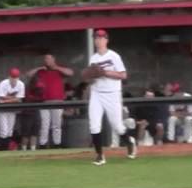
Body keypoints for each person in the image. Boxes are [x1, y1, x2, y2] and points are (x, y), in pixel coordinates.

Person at [86, 29, 137, 165]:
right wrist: (89, 77)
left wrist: (105, 72)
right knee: (94, 125)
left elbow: (123, 75)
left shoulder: (114, 56)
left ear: (106, 40)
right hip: (97, 93)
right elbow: (91, 79)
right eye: (96, 38)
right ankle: (99, 155)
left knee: (117, 126)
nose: (98, 40)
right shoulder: (93, 58)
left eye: (101, 38)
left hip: (112, 93)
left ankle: (129, 142)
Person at [28, 54, 74, 149]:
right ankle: (43, 144)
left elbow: (70, 73)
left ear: (53, 59)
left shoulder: (59, 70)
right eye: (45, 59)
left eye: (49, 59)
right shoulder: (41, 71)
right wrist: (39, 68)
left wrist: (56, 67)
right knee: (44, 124)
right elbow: (29, 74)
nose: (47, 60)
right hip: (44, 101)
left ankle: (57, 144)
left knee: (56, 124)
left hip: (57, 101)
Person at [0, 68, 25, 150]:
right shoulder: (3, 83)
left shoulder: (21, 84)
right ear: (9, 77)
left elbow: (19, 99)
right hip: (1, 109)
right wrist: (13, 98)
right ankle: (2, 150)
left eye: (15, 77)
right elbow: (1, 97)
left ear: (18, 77)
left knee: (9, 132)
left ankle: (7, 150)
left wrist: (7, 99)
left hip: (12, 109)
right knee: (4, 131)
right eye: (12, 77)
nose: (14, 79)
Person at [17, 70, 44, 151]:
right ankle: (24, 149)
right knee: (26, 133)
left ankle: (33, 149)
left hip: (36, 111)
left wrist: (36, 98)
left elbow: (42, 98)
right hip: (27, 112)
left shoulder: (40, 87)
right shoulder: (26, 87)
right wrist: (34, 98)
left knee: (35, 132)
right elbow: (26, 98)